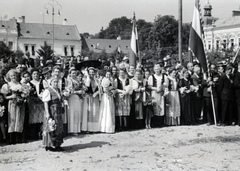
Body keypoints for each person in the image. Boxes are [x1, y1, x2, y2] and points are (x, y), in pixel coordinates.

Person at [1, 69, 26, 144]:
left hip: (20, 104)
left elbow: (24, 93)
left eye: (14, 75)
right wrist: (12, 96)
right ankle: (11, 139)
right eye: (11, 76)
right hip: (12, 104)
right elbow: (4, 97)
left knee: (19, 119)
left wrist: (23, 96)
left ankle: (18, 138)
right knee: (12, 120)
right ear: (9, 77)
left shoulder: (20, 84)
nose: (13, 77)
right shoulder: (7, 85)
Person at [42, 76, 64, 151]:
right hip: (52, 110)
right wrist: (47, 113)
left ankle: (57, 144)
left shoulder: (58, 90)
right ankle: (49, 145)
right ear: (50, 83)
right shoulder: (48, 90)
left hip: (58, 111)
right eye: (54, 82)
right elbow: (45, 102)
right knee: (51, 126)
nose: (56, 83)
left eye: (57, 82)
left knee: (58, 126)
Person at [65, 67, 84, 134]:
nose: (74, 74)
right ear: (70, 74)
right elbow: (70, 91)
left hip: (77, 99)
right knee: (72, 113)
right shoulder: (69, 80)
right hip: (72, 98)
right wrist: (78, 92)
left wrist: (82, 91)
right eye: (72, 73)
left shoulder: (77, 80)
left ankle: (77, 129)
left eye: (75, 73)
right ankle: (72, 129)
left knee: (77, 112)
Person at [82, 67, 101, 132]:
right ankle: (88, 128)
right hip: (88, 97)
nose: (91, 74)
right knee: (89, 112)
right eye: (90, 72)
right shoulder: (85, 79)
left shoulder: (97, 80)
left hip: (95, 98)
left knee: (95, 112)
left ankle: (95, 128)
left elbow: (100, 89)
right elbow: (87, 86)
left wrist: (97, 93)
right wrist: (87, 76)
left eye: (93, 72)